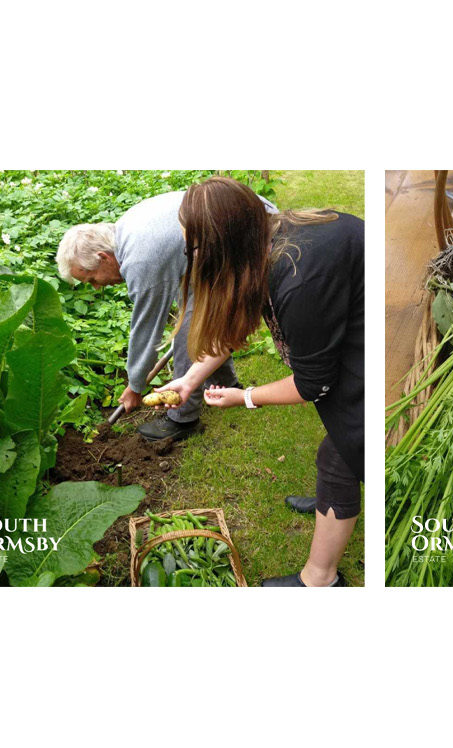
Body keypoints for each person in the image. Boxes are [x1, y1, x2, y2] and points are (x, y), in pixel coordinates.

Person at [153, 177, 363, 587]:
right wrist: (190, 379)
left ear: (224, 242)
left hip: (369, 346)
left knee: (346, 447)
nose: (190, 255)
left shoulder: (300, 276)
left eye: (194, 247)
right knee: (335, 454)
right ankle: (329, 505)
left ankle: (320, 580)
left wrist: (245, 397)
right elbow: (240, 319)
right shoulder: (265, 240)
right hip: (345, 323)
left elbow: (313, 384)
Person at [56, 188, 276, 441]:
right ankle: (226, 385)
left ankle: (183, 418)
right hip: (238, 223)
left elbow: (147, 331)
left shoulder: (141, 261)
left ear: (103, 257)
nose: (96, 286)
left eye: (92, 278)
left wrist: (135, 386)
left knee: (190, 331)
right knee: (196, 318)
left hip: (251, 232)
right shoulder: (126, 231)